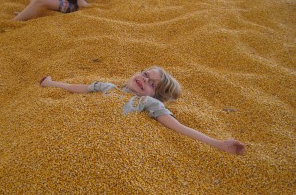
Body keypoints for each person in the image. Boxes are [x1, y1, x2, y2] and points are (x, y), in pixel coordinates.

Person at [40, 66, 245, 155]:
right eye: (145, 74)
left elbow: (177, 126)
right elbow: (80, 88)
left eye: (152, 84)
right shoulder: (109, 87)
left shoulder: (147, 102)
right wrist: (52, 84)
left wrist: (217, 143)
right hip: (78, 129)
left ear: (155, 96)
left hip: (106, 144)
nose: (144, 80)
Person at [13, 0, 90, 21]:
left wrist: (91, 8)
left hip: (71, 5)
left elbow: (81, 3)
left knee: (40, 0)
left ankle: (13, 22)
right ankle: (30, 11)